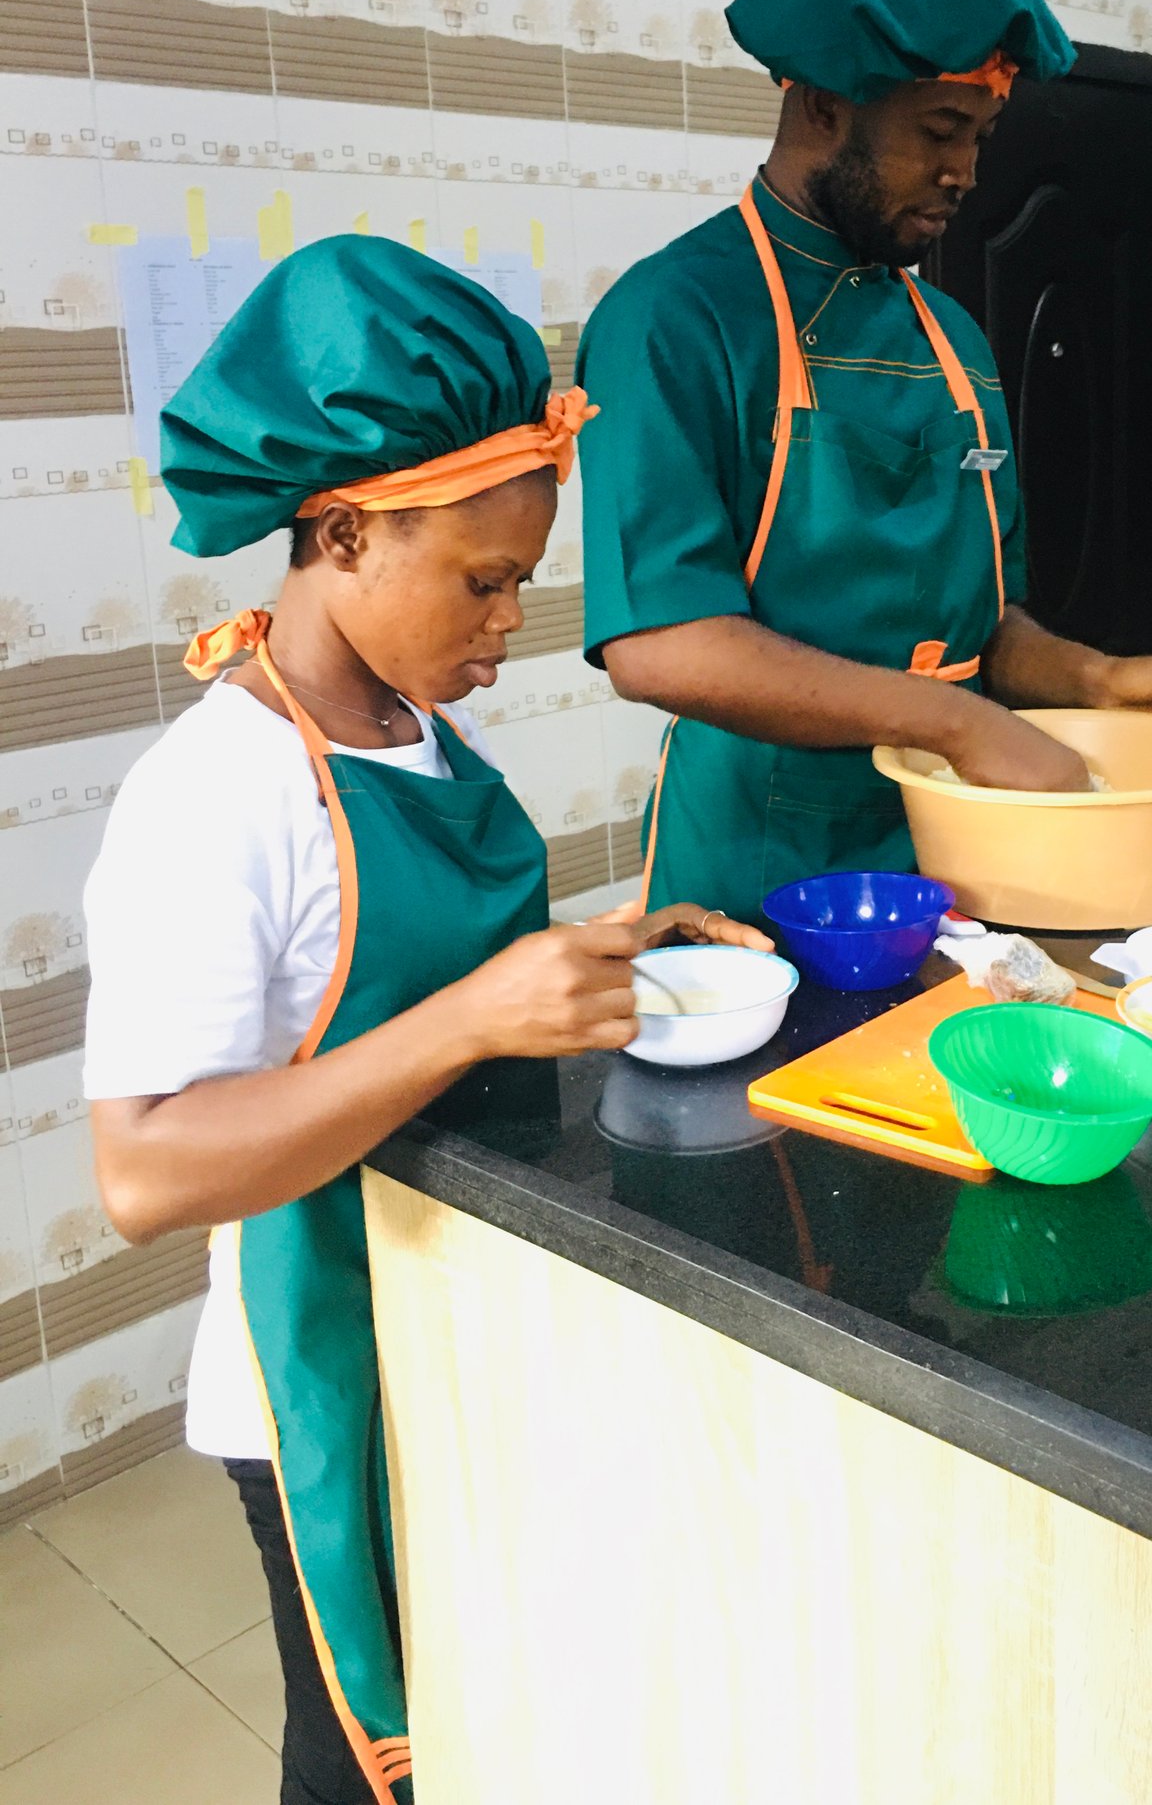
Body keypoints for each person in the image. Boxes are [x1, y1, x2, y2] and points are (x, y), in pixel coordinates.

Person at [82, 235, 768, 1805]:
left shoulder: (404, 726)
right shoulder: (217, 792)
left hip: (453, 1318)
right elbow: (145, 1168)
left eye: (522, 579)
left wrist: (594, 952)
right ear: (341, 533)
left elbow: (422, 982)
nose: (511, 620)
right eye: (482, 581)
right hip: (322, 1360)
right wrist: (471, 1017)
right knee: (368, 1756)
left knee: (490, 1709)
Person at [576, 0, 1152, 923]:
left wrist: (1092, 678)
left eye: (979, 137)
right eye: (938, 131)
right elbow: (661, 645)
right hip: (761, 855)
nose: (965, 172)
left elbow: (983, 628)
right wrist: (959, 725)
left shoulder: (952, 340)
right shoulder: (673, 317)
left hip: (958, 840)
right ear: (824, 103)